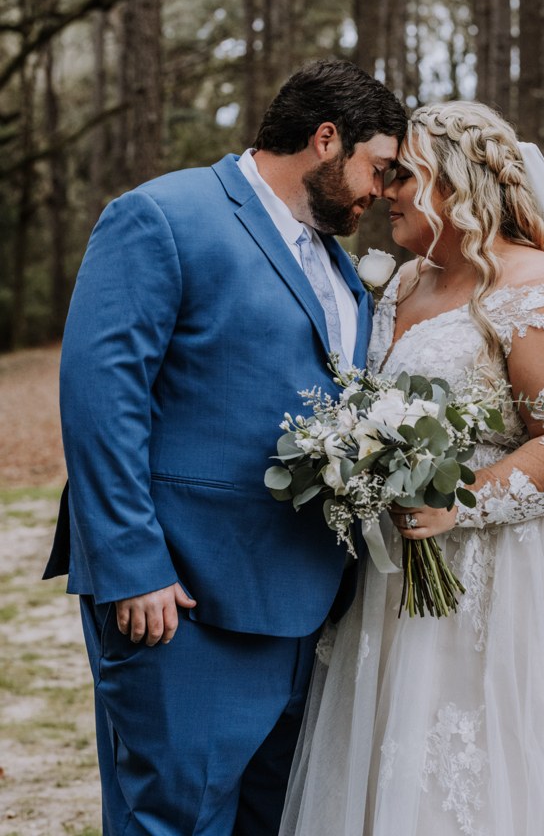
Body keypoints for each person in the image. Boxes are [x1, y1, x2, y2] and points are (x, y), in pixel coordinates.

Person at [280, 101, 544, 836]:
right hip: (401, 583)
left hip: (513, 575)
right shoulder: (402, 284)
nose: (386, 191)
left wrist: (460, 501)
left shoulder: (539, 290)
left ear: (453, 184)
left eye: (403, 176)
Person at [43, 59, 407, 836]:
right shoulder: (163, 216)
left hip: (307, 611)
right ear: (325, 139)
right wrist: (132, 565)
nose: (382, 191)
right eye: (378, 167)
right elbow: (102, 405)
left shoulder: (341, 269)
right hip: (182, 605)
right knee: (173, 821)